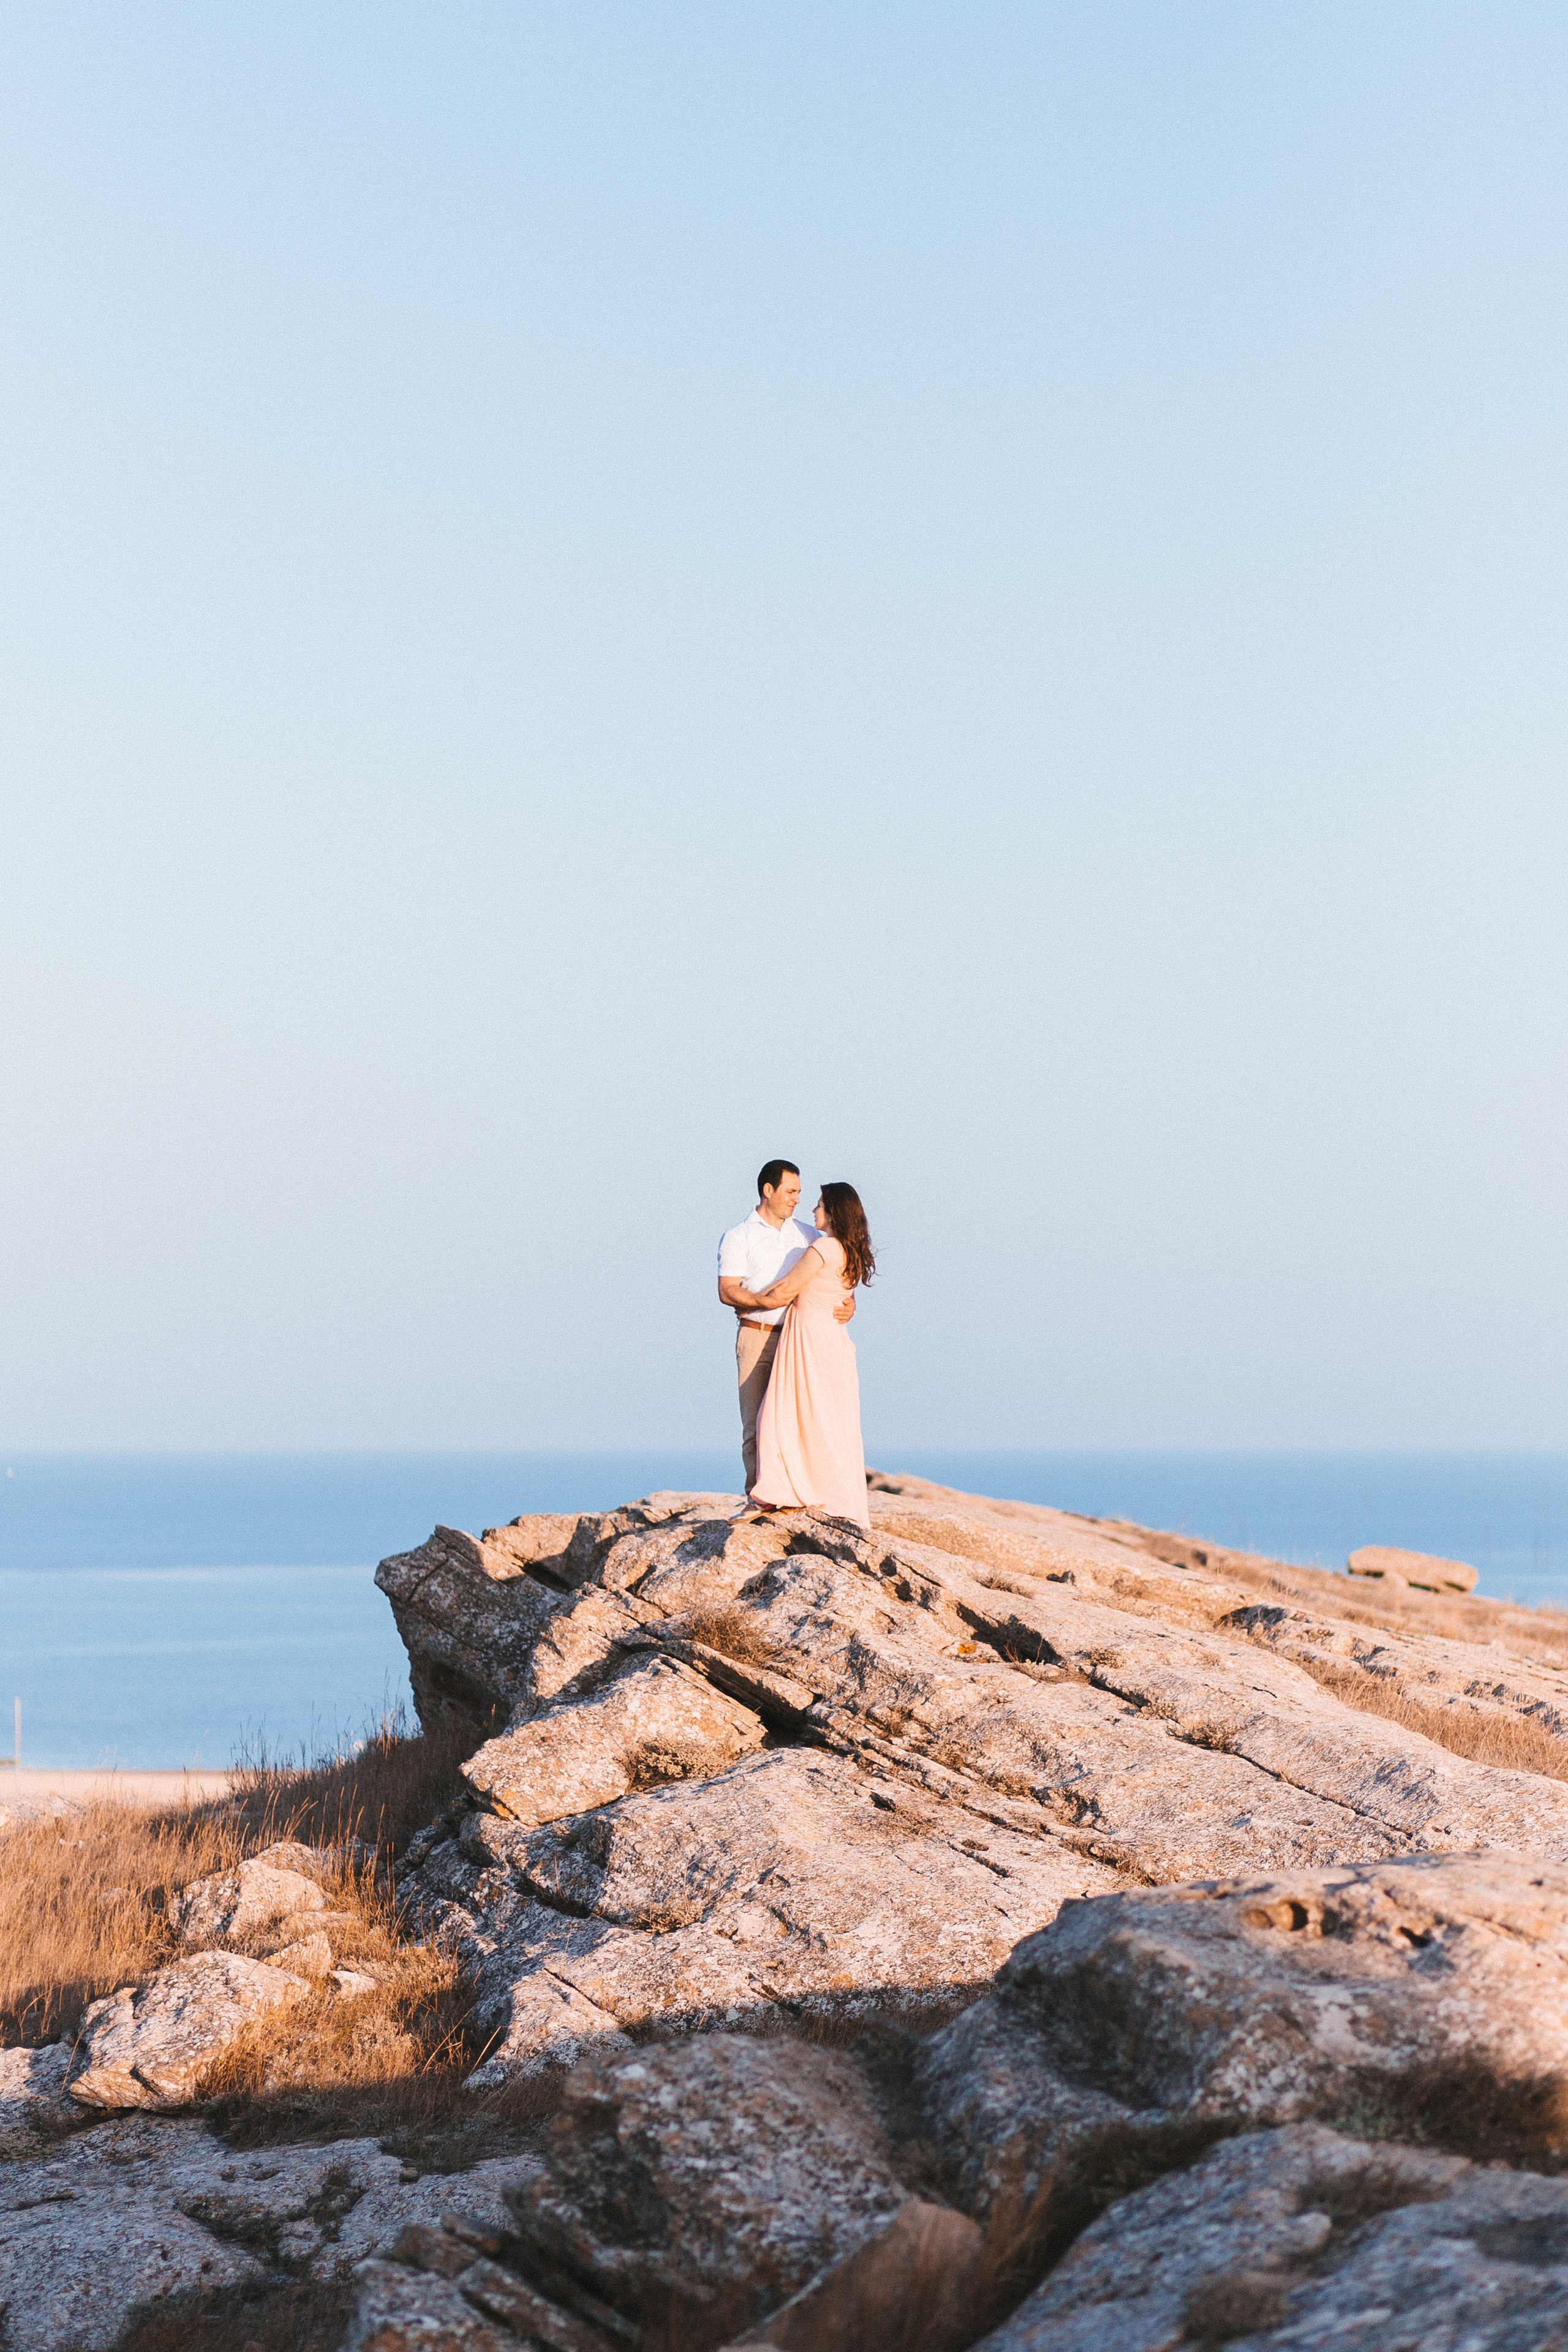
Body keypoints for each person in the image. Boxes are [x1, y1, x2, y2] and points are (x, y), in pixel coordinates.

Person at [745, 1182, 875, 1531]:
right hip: (834, 1342)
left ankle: (788, 1492)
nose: (812, 1209)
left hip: (810, 1341)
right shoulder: (850, 1249)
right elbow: (837, 1292)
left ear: (833, 1213)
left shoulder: (824, 1247)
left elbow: (788, 1288)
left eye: (819, 1205)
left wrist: (744, 1302)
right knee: (829, 1421)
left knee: (781, 1417)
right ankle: (829, 1493)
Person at [717, 1160, 854, 1492]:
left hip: (800, 1341)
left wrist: (849, 1304)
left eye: (800, 1193)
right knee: (755, 1426)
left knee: (797, 1422)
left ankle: (799, 1494)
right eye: (790, 1191)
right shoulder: (739, 1237)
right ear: (769, 1190)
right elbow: (727, 1290)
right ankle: (758, 1497)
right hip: (756, 1337)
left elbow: (832, 1275)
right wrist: (763, 1302)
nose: (796, 1200)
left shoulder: (809, 1236)